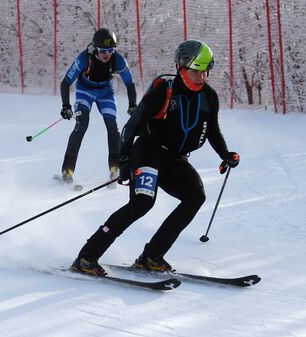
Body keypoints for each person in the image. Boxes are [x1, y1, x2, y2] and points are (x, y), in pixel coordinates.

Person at [71, 39, 240, 276]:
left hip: (176, 158)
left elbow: (212, 129)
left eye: (205, 72)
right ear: (181, 67)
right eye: (195, 71)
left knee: (195, 197)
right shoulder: (164, 88)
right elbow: (131, 127)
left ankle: (152, 256)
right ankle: (87, 257)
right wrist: (125, 161)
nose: (200, 77)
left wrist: (226, 154)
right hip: (149, 151)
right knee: (142, 203)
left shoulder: (209, 97)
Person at [59, 28, 137, 184]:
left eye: (110, 50)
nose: (107, 54)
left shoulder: (118, 59)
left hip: (105, 92)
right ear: (95, 48)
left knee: (112, 127)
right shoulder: (84, 58)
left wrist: (132, 104)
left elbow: (130, 83)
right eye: (102, 51)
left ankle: (115, 169)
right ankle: (67, 170)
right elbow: (66, 82)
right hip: (85, 91)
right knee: (82, 124)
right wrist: (66, 106)